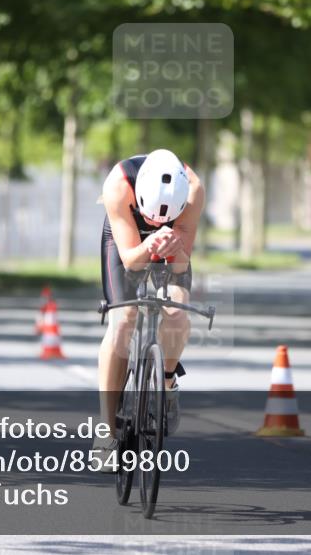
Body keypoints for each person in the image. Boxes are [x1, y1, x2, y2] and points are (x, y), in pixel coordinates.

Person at [92, 149, 205, 466]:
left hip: (172, 243)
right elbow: (129, 260)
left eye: (162, 218)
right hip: (126, 241)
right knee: (123, 319)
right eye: (151, 216)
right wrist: (148, 243)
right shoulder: (118, 184)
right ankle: (106, 431)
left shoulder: (194, 189)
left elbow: (180, 268)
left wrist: (173, 248)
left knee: (177, 310)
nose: (155, 222)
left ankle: (167, 382)